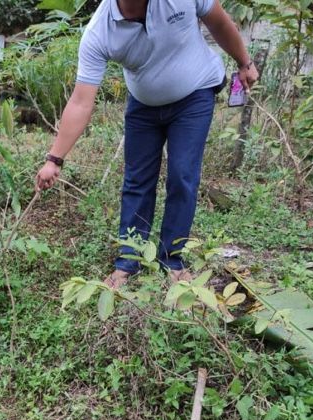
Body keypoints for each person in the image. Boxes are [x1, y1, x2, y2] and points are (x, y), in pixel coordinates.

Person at [34, 0, 258, 289]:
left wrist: (244, 63)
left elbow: (219, 22)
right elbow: (80, 101)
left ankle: (172, 259)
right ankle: (129, 260)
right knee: (137, 180)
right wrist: (55, 159)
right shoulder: (100, 31)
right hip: (144, 104)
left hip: (194, 95)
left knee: (182, 176)